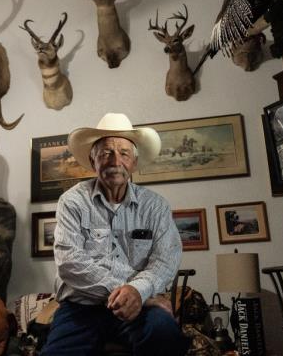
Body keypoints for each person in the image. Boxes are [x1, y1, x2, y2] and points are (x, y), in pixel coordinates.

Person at [41, 113, 189, 356]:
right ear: (93, 159)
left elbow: (165, 261)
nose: (115, 161)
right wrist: (133, 292)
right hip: (81, 307)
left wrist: (138, 293)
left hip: (139, 307)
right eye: (106, 153)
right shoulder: (72, 201)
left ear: (134, 162)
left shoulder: (156, 206)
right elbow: (70, 263)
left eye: (124, 153)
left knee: (165, 333)